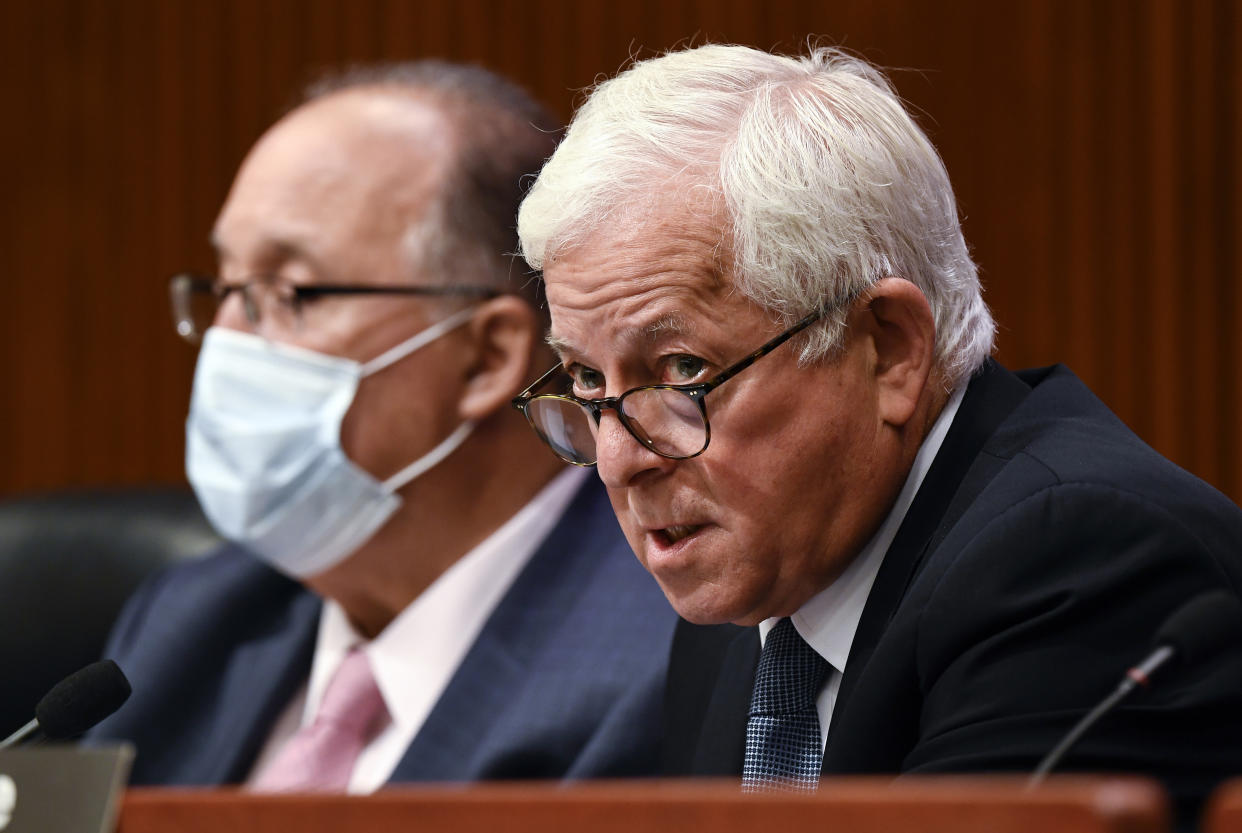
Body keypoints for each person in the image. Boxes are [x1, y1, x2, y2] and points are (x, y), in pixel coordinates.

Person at [511, 43, 1242, 822]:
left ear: (888, 348)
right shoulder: (745, 603)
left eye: (684, 370)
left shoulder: (1077, 562)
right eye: (588, 381)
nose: (619, 460)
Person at [87, 61, 677, 790]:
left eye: (287, 292)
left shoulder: (659, 660)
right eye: (224, 288)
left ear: (485, 358)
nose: (228, 339)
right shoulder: (193, 619)